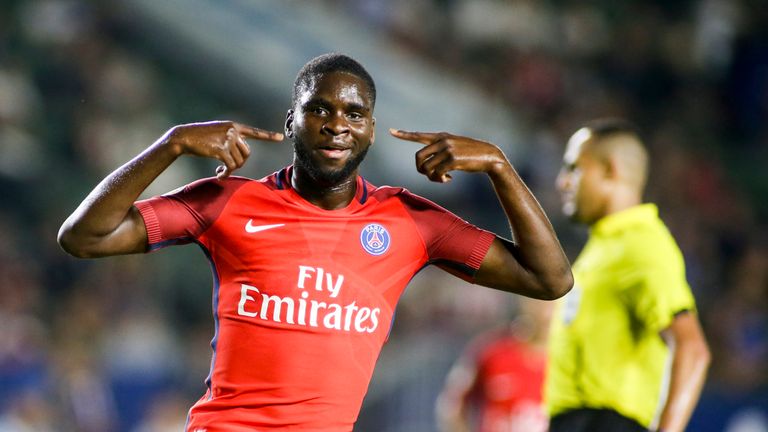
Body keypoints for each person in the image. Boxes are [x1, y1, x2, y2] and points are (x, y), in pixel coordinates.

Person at [58, 53, 572, 431]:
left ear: (370, 131)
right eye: (319, 110)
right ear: (292, 123)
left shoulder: (409, 221)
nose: (336, 126)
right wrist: (170, 145)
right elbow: (84, 237)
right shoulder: (227, 202)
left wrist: (499, 168)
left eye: (353, 114)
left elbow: (550, 280)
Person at [545, 118, 711, 432]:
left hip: (605, 423)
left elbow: (692, 349)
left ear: (612, 170)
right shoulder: (605, 245)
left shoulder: (641, 243)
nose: (562, 182)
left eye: (574, 169)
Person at [436, 298, 552, 432]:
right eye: (537, 301)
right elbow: (452, 405)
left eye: (550, 302)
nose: (544, 309)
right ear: (523, 302)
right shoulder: (491, 352)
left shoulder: (570, 361)